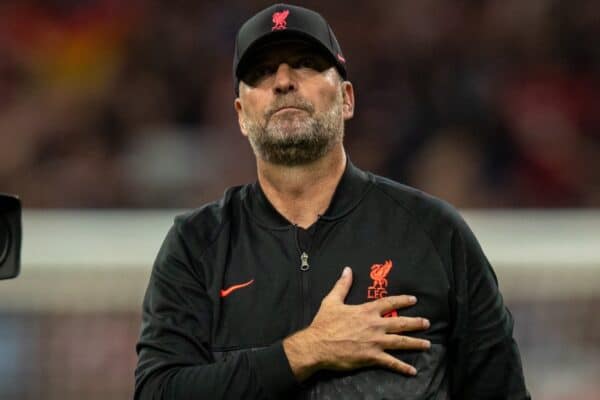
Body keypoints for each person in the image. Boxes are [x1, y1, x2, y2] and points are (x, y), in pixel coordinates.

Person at [134, 3, 530, 399]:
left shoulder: (432, 232)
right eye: (261, 72)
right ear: (240, 114)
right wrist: (305, 352)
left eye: (305, 64)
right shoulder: (196, 245)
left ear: (347, 99)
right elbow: (156, 391)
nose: (284, 81)